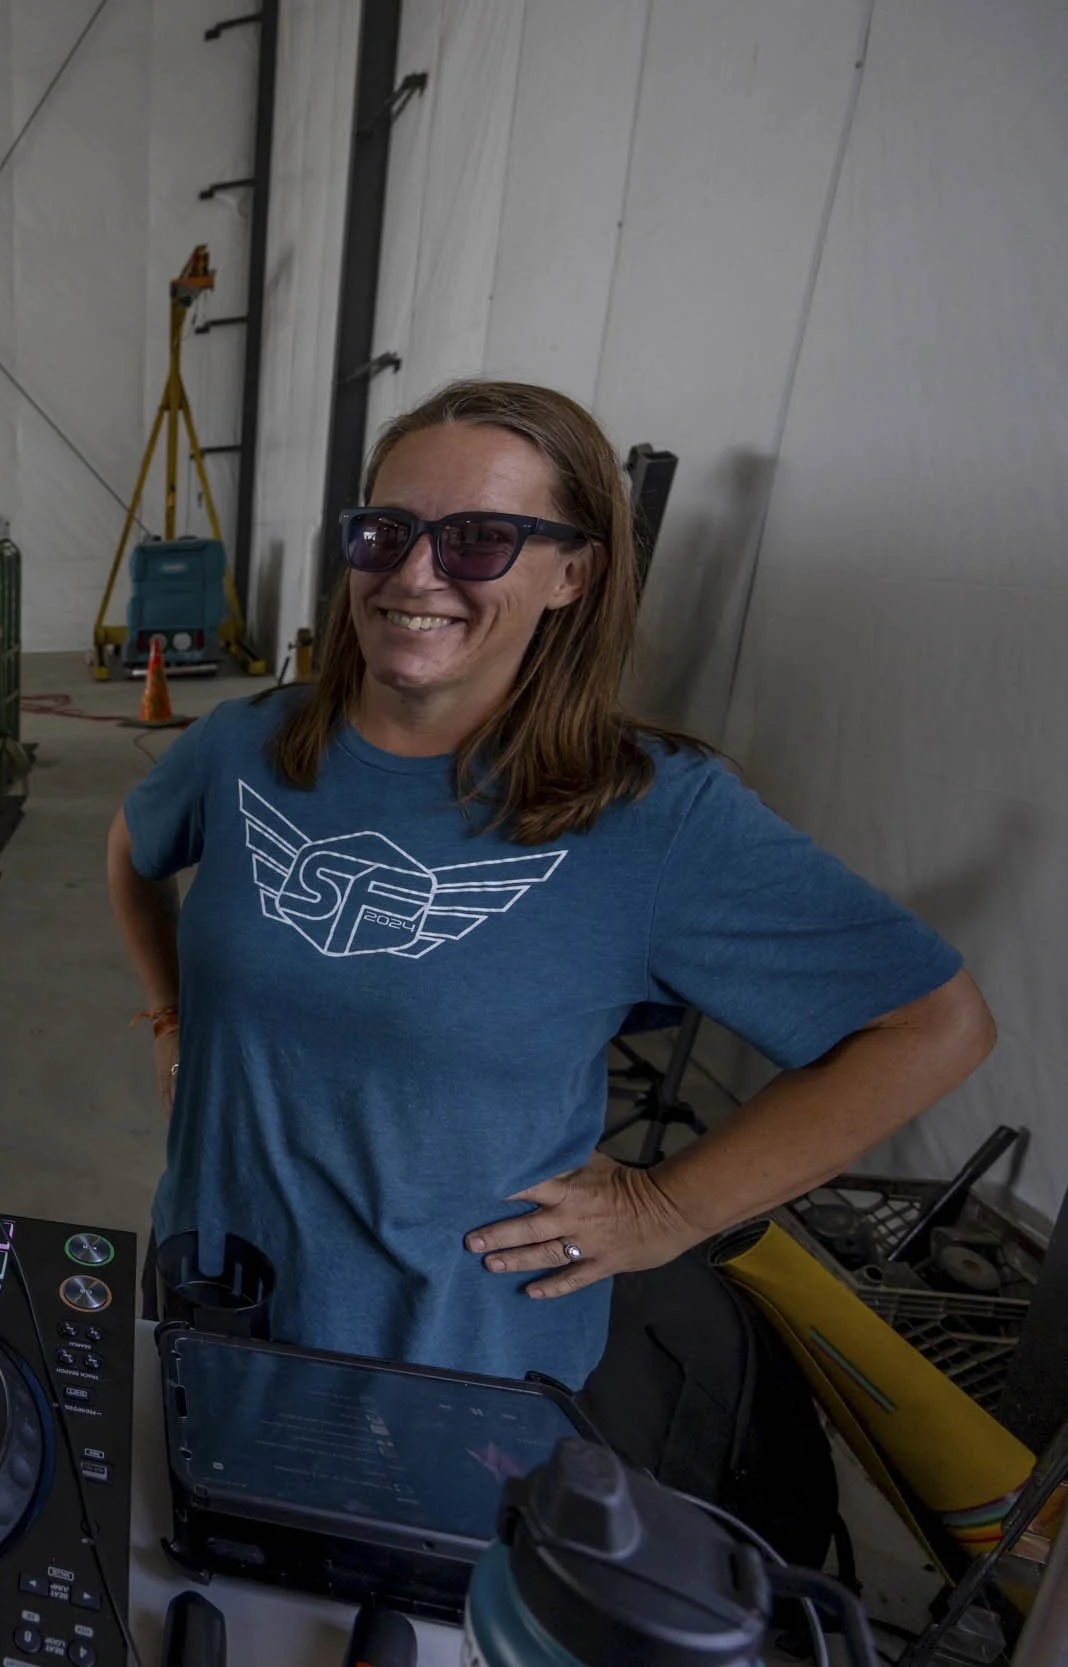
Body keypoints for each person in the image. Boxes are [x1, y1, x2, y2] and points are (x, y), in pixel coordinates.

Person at [107, 379, 995, 1387]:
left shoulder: (653, 815)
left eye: (480, 538)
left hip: (443, 1368)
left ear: (573, 572)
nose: (415, 573)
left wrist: (669, 1207)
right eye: (385, 531)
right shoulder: (243, 745)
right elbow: (132, 848)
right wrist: (169, 1015)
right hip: (209, 1298)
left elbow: (932, 1025)